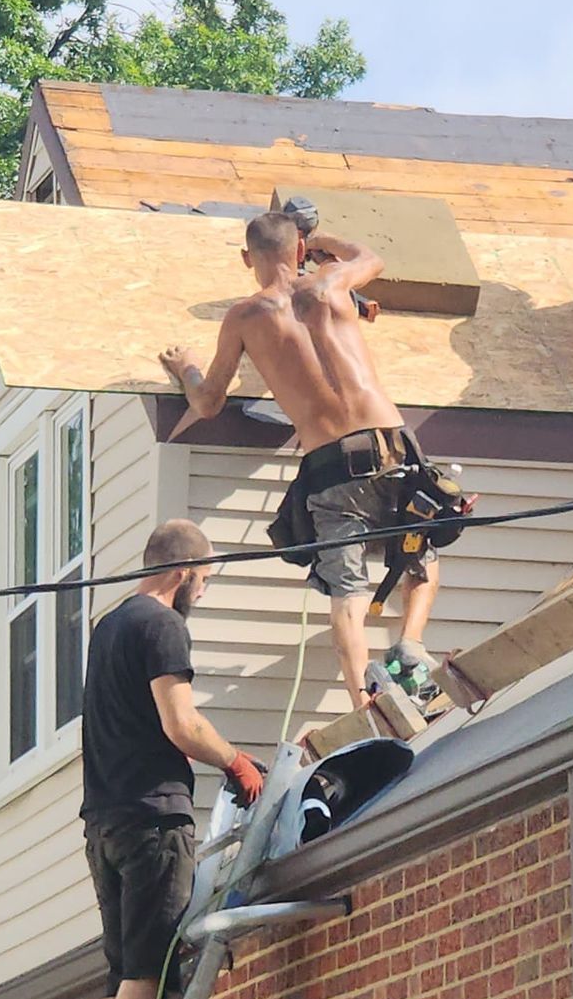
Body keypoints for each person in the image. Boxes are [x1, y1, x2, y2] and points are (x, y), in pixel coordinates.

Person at [160, 209, 443, 710]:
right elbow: (370, 256)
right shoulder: (332, 283)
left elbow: (208, 404)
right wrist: (319, 239)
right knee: (421, 555)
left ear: (248, 259)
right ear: (298, 250)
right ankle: (411, 641)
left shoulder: (246, 317)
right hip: (391, 443)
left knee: (348, 592)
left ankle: (364, 705)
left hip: (332, 466)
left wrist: (187, 369)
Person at [63, 519, 265, 999]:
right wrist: (236, 762)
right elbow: (181, 723)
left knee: (120, 973)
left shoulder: (109, 627)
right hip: (153, 822)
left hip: (103, 824)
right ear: (182, 572)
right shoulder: (162, 625)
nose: (200, 593)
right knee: (149, 971)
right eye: (203, 580)